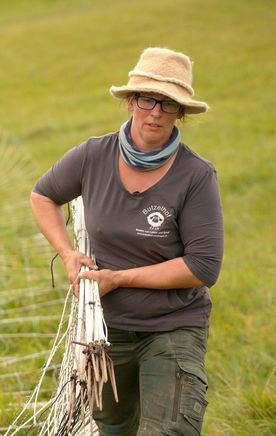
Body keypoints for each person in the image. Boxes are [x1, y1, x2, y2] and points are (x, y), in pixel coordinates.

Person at [30, 47, 224, 435]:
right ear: (130, 102)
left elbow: (203, 267)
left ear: (181, 112)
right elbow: (43, 196)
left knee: (168, 430)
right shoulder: (92, 155)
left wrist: (119, 278)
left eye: (168, 105)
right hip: (106, 329)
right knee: (114, 427)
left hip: (172, 325)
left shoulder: (196, 175)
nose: (155, 112)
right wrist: (67, 253)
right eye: (147, 99)